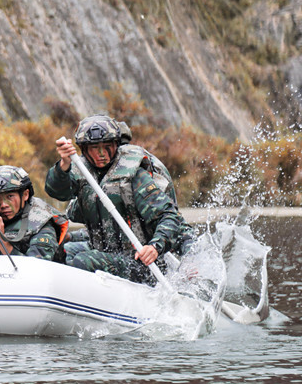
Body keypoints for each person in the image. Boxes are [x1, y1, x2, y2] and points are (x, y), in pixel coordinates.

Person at [44, 114, 194, 285]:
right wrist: (63, 165)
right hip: (104, 251)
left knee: (83, 261)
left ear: (116, 144)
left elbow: (169, 216)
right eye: (94, 148)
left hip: (139, 263)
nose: (101, 153)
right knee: (59, 253)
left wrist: (154, 247)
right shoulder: (82, 172)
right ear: (84, 149)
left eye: (107, 146)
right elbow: (57, 191)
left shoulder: (135, 177)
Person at [0, 165, 68, 262]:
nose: (3, 205)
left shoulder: (41, 222)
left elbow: (35, 268)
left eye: (10, 196)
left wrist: (0, 241)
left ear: (25, 195)